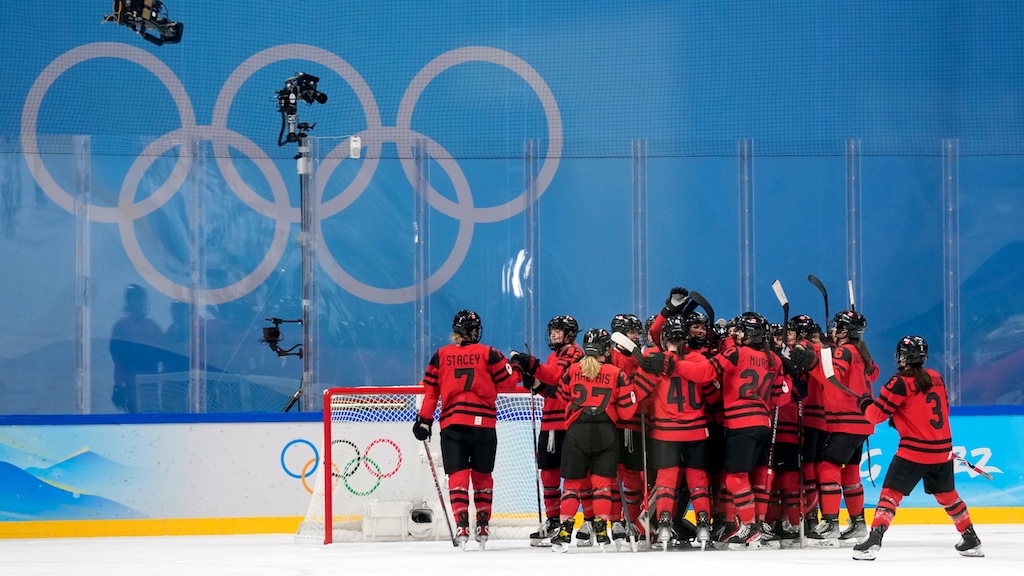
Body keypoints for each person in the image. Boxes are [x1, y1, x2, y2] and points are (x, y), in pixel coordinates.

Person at [648, 311, 789, 547]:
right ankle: (752, 525)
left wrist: (672, 364)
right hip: (764, 424)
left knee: (735, 478)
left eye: (741, 331)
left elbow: (704, 373)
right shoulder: (773, 359)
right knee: (755, 477)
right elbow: (780, 397)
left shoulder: (736, 352)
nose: (736, 334)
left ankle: (749, 528)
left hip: (740, 423)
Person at [852, 336, 984, 560]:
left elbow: (875, 416)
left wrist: (864, 403)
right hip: (942, 450)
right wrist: (903, 418)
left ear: (902, 356)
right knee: (948, 495)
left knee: (890, 494)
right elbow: (940, 409)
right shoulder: (936, 377)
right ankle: (970, 537)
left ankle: (874, 539)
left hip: (914, 451)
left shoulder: (899, 382)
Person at [412, 309, 522, 548]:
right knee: (482, 476)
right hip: (484, 426)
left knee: (458, 475)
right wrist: (518, 367)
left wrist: (424, 420)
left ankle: (461, 524)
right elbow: (510, 383)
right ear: (473, 331)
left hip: (453, 424)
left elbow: (431, 393)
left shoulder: (440, 356)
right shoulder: (488, 353)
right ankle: (482, 524)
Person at [544, 328, 638, 552]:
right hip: (606, 432)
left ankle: (565, 530)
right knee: (603, 485)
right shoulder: (617, 373)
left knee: (572, 486)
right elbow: (627, 412)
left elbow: (563, 398)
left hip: (577, 432)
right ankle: (602, 529)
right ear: (606, 348)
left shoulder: (572, 370)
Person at [791, 309, 878, 543]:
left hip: (846, 421)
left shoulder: (845, 350)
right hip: (863, 421)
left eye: (838, 325)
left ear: (844, 330)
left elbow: (834, 376)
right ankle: (858, 523)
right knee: (849, 470)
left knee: (827, 467)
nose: (833, 329)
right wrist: (817, 352)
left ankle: (829, 521)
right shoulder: (861, 351)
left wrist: (810, 363)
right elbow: (874, 373)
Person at [632, 314, 714, 550]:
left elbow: (639, 392)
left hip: (664, 432)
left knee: (666, 480)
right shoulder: (698, 359)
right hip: (696, 431)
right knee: (698, 481)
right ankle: (703, 526)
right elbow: (707, 374)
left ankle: (665, 524)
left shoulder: (652, 358)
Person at [510, 315, 583, 546]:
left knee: (576, 476)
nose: (552, 335)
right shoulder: (554, 356)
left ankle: (586, 521)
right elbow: (552, 390)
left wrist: (532, 365)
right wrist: (536, 384)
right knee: (549, 475)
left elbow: (556, 377)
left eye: (558, 331)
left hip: (569, 422)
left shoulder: (575, 354)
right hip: (550, 423)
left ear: (570, 334)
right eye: (551, 330)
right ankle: (553, 521)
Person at [109, 283, 164, 413]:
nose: (140, 303)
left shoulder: (153, 326)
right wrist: (118, 386)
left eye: (142, 299)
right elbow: (118, 361)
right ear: (129, 302)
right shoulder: (122, 326)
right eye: (136, 299)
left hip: (151, 384)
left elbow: (164, 355)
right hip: (131, 382)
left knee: (152, 414)